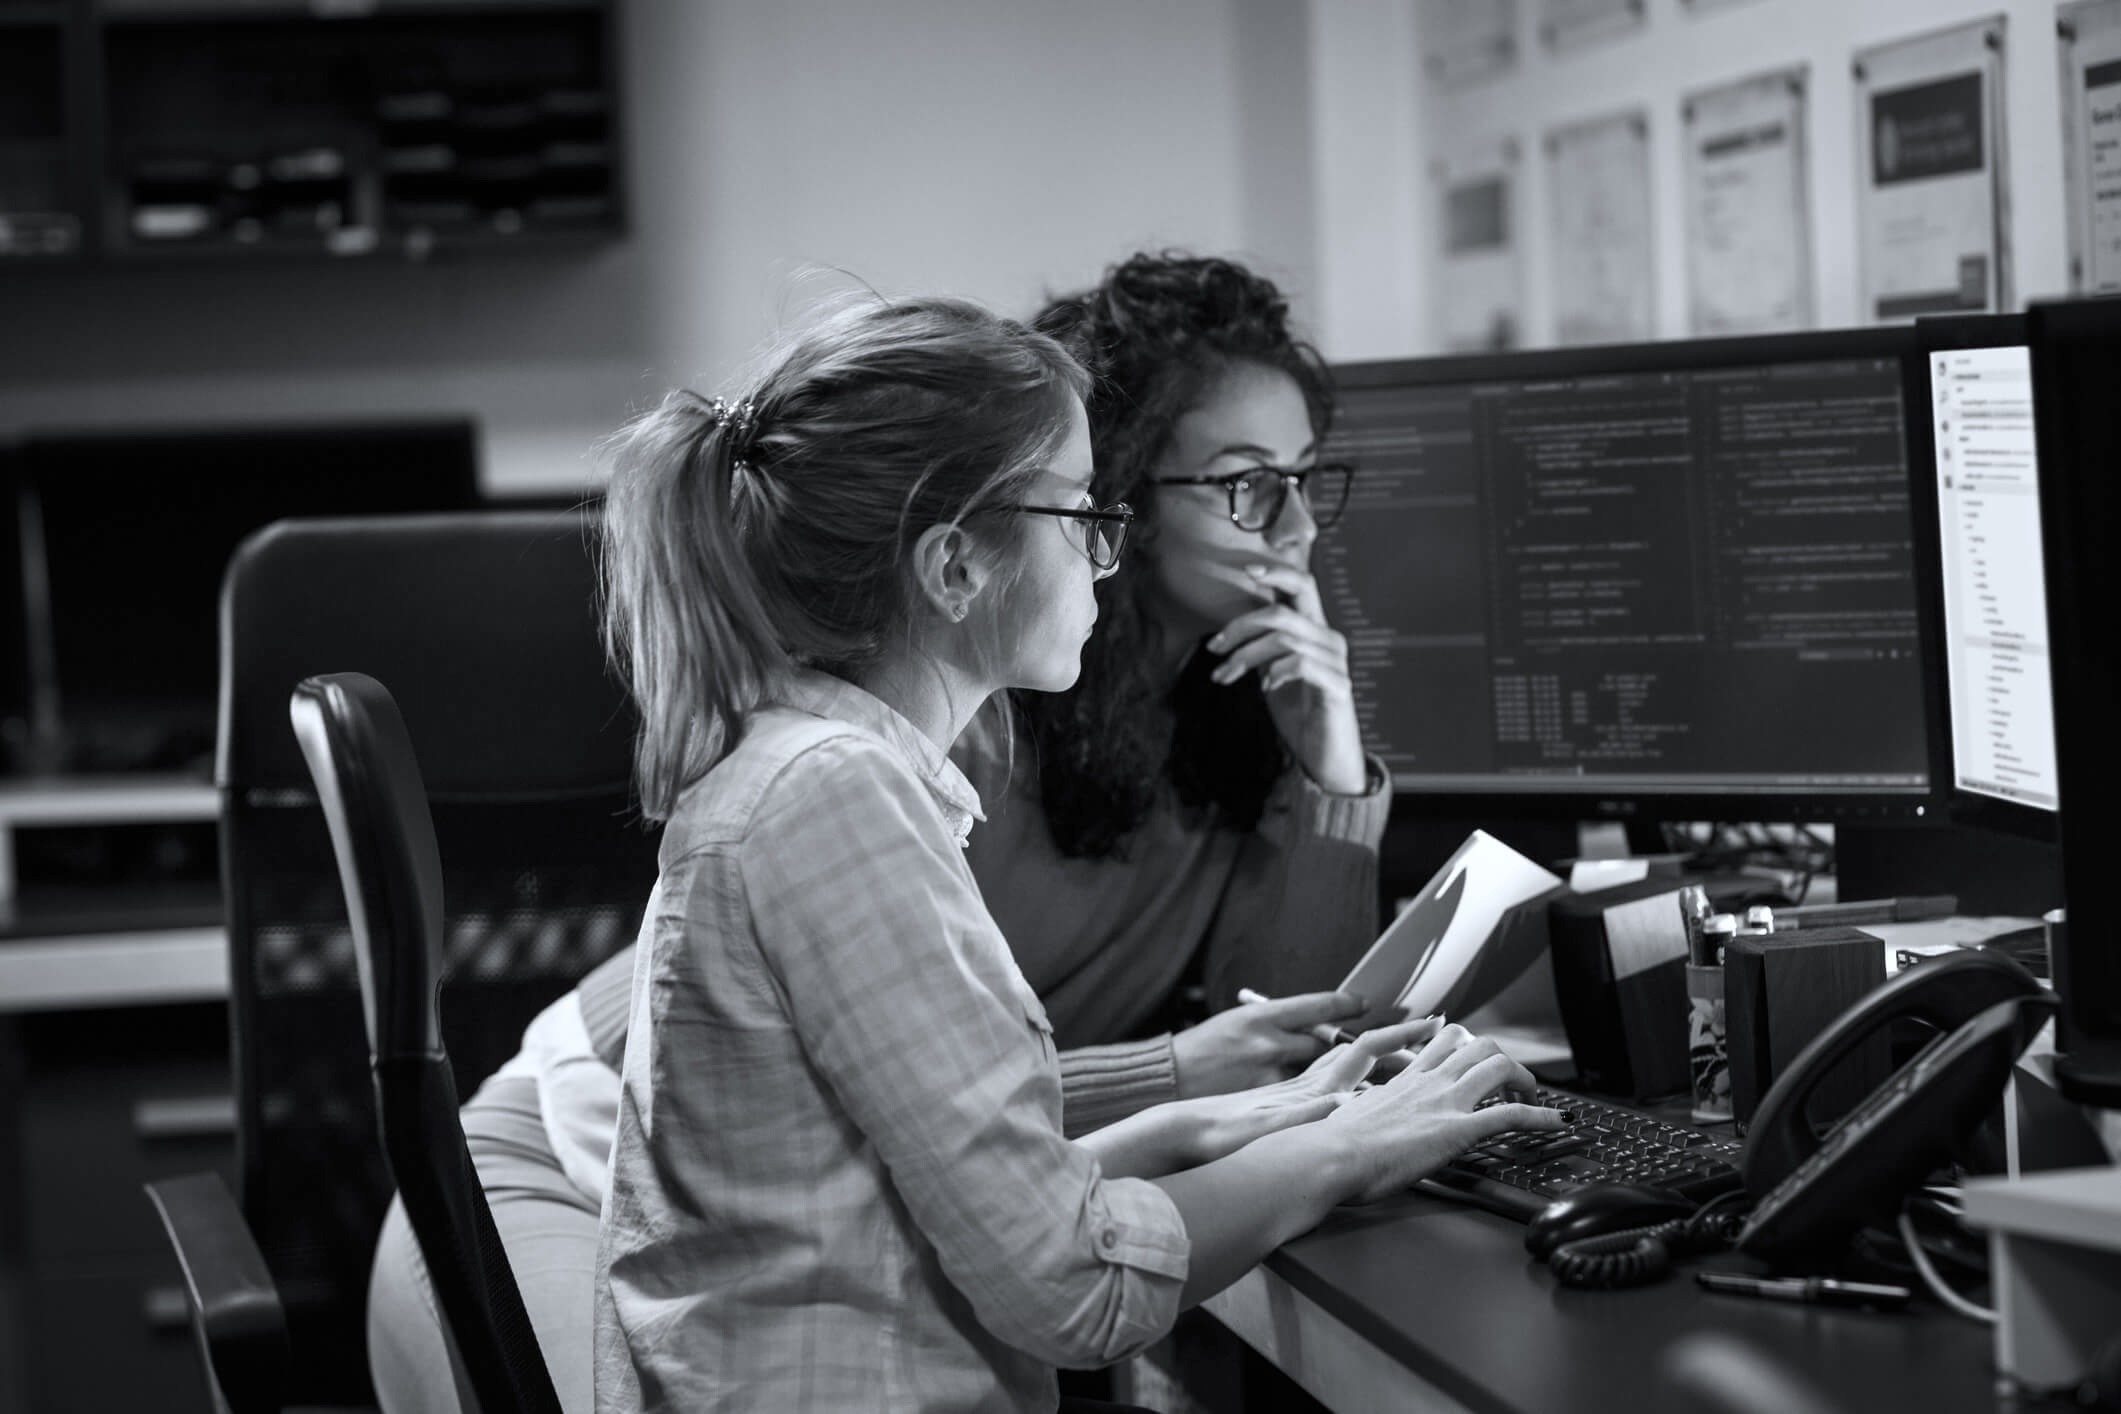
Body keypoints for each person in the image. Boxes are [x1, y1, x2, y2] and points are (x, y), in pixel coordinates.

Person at [364, 254, 1441, 1411]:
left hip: (792, 1242)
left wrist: (1326, 770)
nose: (1294, 531)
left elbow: (1236, 1039)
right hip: (563, 1162)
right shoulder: (905, 754)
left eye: (1303, 480)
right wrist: (1229, 1106)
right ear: (964, 559)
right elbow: (980, 1187)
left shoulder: (982, 726)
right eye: (1237, 483)